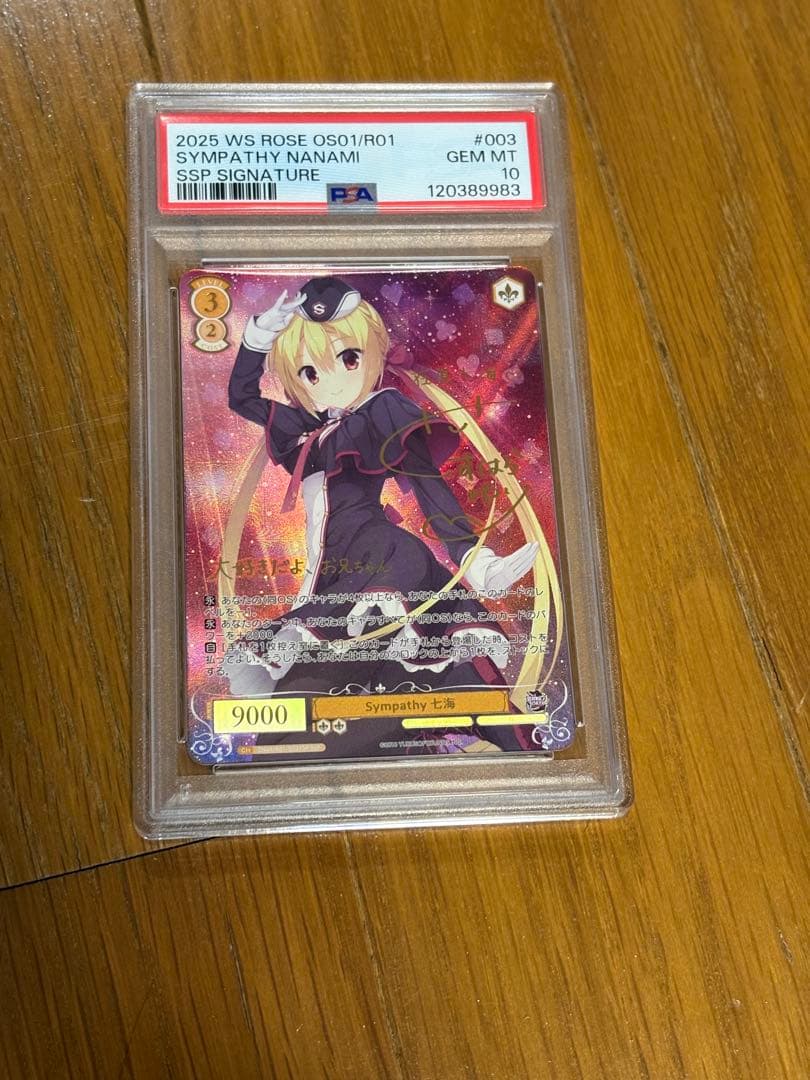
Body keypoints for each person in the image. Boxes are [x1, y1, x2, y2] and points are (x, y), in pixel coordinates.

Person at [223, 276, 538, 753]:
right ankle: (460, 707)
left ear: (372, 355)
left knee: (304, 709)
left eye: (349, 358)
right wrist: (260, 334)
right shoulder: (303, 429)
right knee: (306, 716)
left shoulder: (382, 410)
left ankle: (487, 721)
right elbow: (241, 397)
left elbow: (428, 483)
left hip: (382, 561)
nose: (330, 378)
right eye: (308, 371)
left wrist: (474, 559)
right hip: (335, 576)